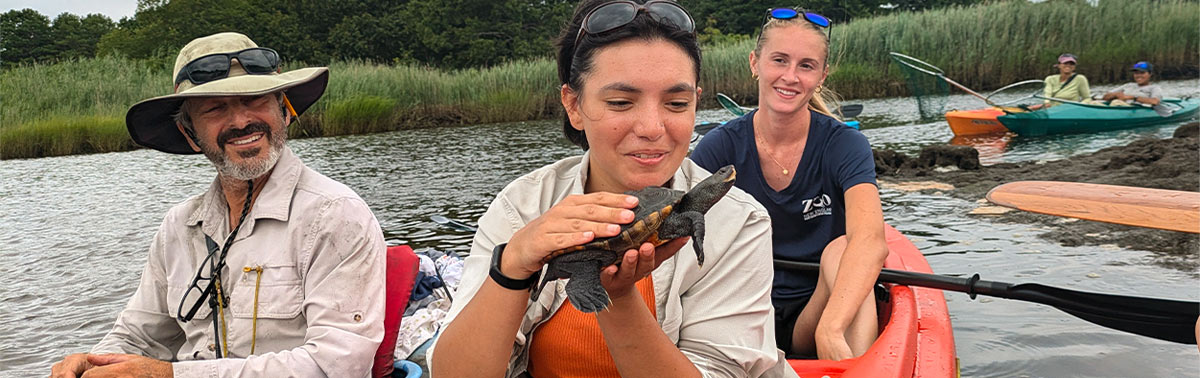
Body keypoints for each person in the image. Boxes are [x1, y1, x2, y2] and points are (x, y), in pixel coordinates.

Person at [429, 1, 787, 377]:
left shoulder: (739, 221)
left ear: (696, 102)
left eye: (677, 103)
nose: (651, 127)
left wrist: (618, 295)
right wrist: (512, 266)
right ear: (574, 105)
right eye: (620, 102)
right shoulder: (523, 207)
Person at [49, 32, 386, 377]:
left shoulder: (336, 214)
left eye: (254, 100)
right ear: (190, 135)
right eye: (215, 108)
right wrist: (92, 363)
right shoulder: (178, 227)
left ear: (284, 111)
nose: (241, 121)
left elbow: (337, 366)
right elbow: (139, 335)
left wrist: (169, 375)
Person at [690, 7, 888, 361]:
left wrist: (829, 328)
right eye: (779, 60)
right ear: (755, 63)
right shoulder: (718, 148)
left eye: (806, 66)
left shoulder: (844, 144)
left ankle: (849, 362)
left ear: (822, 76)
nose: (790, 77)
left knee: (844, 249)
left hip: (815, 315)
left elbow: (871, 240)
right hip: (742, 315)